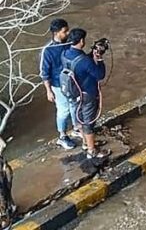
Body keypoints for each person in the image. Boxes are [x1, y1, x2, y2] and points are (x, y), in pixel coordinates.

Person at [62, 29, 109, 160]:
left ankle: (85, 143)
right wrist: (99, 59)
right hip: (87, 95)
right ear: (82, 41)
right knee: (88, 123)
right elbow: (100, 75)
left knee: (80, 119)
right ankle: (91, 151)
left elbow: (81, 65)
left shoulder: (65, 54)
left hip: (73, 93)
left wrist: (90, 55)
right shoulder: (85, 61)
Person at [39, 18, 77, 150]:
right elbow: (44, 73)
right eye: (64, 31)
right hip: (57, 85)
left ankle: (76, 128)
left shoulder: (69, 44)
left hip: (72, 82)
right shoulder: (48, 51)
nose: (67, 34)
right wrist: (49, 91)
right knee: (63, 111)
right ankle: (62, 136)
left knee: (74, 106)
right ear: (56, 33)